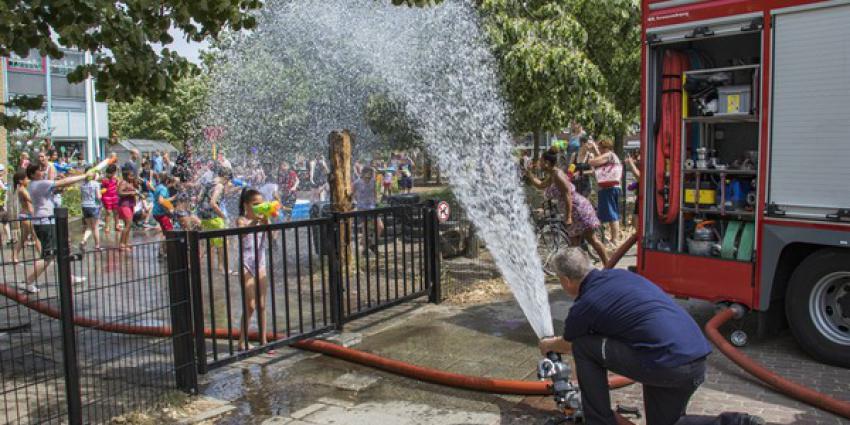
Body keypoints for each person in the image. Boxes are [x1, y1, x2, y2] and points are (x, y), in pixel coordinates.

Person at [539, 247, 765, 425]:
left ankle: (599, 421)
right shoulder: (618, 276)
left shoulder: (585, 304)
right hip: (695, 360)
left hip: (666, 364)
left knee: (583, 345)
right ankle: (739, 422)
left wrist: (548, 344)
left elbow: (568, 344)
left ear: (566, 281)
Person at [526, 150, 609, 265]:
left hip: (578, 210)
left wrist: (569, 216)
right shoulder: (553, 174)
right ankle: (580, 271)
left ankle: (608, 265)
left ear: (547, 163)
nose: (539, 163)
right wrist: (529, 174)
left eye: (541, 160)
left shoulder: (558, 175)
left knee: (591, 239)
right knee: (574, 245)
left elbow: (567, 195)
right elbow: (541, 185)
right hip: (573, 211)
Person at [22, 164, 87, 293]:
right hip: (46, 222)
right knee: (48, 255)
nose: (42, 171)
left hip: (45, 221)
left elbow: (57, 188)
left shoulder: (34, 185)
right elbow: (63, 181)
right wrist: (84, 176)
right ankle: (28, 282)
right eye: (39, 170)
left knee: (61, 251)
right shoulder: (39, 183)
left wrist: (60, 189)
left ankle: (69, 278)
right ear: (33, 174)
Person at [235, 189, 270, 350]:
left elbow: (271, 235)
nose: (259, 207)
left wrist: (267, 220)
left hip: (260, 263)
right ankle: (242, 341)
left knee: (262, 304)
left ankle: (264, 340)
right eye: (256, 204)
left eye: (261, 203)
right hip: (246, 264)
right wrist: (255, 221)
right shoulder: (241, 220)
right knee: (250, 305)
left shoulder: (263, 219)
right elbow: (243, 233)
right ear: (246, 205)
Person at [588, 139, 623, 246]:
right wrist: (595, 150)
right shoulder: (610, 156)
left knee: (612, 214)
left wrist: (590, 156)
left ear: (606, 148)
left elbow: (593, 162)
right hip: (611, 187)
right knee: (611, 213)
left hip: (609, 188)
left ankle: (614, 240)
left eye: (600, 148)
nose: (599, 150)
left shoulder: (609, 155)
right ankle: (612, 238)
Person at [198, 166, 231, 273]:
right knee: (224, 243)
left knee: (210, 243)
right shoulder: (219, 185)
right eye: (228, 179)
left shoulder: (208, 183)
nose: (228, 182)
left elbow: (199, 198)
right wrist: (223, 216)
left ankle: (195, 265)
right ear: (225, 177)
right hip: (214, 218)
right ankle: (223, 268)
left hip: (204, 217)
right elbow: (213, 203)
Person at [9, 170, 41, 262]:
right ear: (20, 181)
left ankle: (14, 256)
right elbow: (31, 200)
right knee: (35, 236)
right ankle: (42, 256)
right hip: (26, 216)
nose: (28, 180)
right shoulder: (22, 190)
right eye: (26, 179)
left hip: (28, 215)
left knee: (23, 238)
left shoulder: (25, 189)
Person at [352, 167, 383, 253]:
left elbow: (375, 193)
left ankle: (372, 244)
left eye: (372, 174)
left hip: (372, 208)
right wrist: (354, 202)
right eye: (370, 174)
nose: (372, 176)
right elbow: (351, 194)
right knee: (365, 229)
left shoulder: (373, 181)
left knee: (380, 226)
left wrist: (377, 201)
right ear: (364, 174)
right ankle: (364, 250)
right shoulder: (357, 183)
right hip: (362, 209)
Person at [79, 168, 102, 251]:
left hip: (85, 206)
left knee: (89, 226)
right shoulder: (96, 184)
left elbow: (81, 197)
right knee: (95, 227)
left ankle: (83, 240)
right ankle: (97, 246)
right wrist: (102, 193)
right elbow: (98, 197)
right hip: (94, 206)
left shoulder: (82, 184)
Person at [100, 164, 120, 235]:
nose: (110, 174)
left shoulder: (116, 178)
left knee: (116, 212)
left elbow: (118, 186)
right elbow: (101, 188)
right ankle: (107, 226)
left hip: (114, 196)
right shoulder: (104, 179)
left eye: (112, 173)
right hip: (106, 197)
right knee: (108, 212)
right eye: (109, 173)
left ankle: (117, 224)